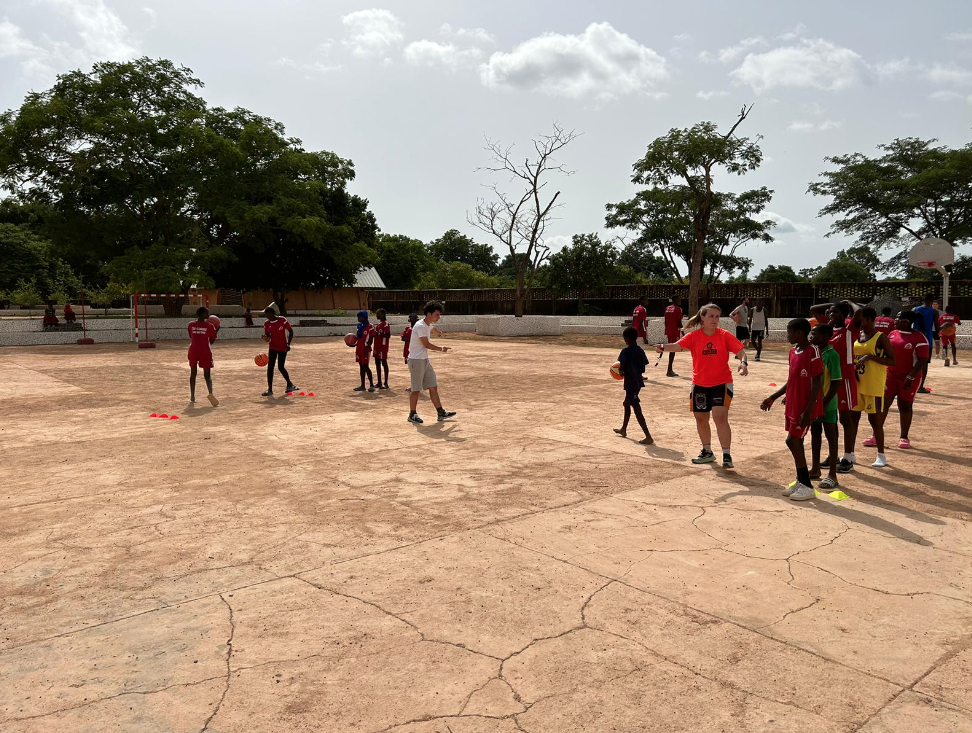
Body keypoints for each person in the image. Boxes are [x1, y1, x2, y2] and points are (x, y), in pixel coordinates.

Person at [655, 303, 749, 468]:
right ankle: (707, 452)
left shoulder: (724, 335)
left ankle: (726, 455)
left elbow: (740, 351)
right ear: (702, 318)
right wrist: (663, 347)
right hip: (699, 384)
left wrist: (743, 363)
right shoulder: (694, 336)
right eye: (711, 316)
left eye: (717, 316)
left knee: (720, 418)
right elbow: (678, 345)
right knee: (701, 418)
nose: (714, 319)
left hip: (722, 383)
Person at [760, 318, 824, 501]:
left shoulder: (813, 351)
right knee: (797, 443)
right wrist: (774, 397)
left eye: (789, 332)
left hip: (805, 407)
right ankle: (800, 481)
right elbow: (792, 380)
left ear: (799, 333)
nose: (787, 335)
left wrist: (809, 409)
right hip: (793, 405)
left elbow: (817, 381)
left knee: (792, 441)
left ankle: (808, 486)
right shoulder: (793, 352)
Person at [870, 310, 929, 450]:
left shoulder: (919, 338)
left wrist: (911, 376)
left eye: (897, 318)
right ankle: (875, 435)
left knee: (905, 405)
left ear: (906, 321)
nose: (894, 321)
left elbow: (923, 359)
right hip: (890, 375)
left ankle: (904, 437)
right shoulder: (892, 334)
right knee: (883, 404)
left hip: (909, 377)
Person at [853, 307, 896, 467]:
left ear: (870, 319)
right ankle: (849, 454)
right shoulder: (858, 335)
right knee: (853, 419)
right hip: (857, 384)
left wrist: (871, 357)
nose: (858, 321)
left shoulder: (880, 337)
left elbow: (892, 361)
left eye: (862, 319)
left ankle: (881, 455)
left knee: (875, 421)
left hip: (873, 385)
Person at [407, 301, 457, 424]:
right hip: (416, 361)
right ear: (429, 314)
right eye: (436, 314)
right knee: (416, 389)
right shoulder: (420, 326)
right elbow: (427, 344)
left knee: (433, 386)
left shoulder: (427, 324)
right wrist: (441, 349)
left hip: (424, 360)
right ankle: (412, 414)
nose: (438, 317)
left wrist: (438, 333)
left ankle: (440, 412)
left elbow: (432, 329)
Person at [829, 301, 863, 473]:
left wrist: (849, 303)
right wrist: (835, 306)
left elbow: (859, 313)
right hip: (829, 379)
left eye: (835, 313)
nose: (831, 315)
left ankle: (848, 456)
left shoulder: (849, 329)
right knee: (831, 419)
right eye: (830, 313)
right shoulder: (828, 330)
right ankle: (833, 454)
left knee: (845, 418)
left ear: (844, 314)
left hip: (845, 378)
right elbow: (815, 309)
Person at [808, 324, 842, 489]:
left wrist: (825, 402)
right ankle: (815, 468)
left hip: (827, 404)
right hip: (814, 403)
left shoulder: (832, 355)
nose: (811, 336)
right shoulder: (812, 352)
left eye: (814, 334)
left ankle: (833, 474)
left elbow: (836, 382)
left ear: (825, 337)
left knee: (831, 435)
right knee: (815, 433)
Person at [613, 326, 653, 445]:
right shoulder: (640, 350)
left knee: (636, 407)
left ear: (627, 338)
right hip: (638, 382)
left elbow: (621, 368)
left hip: (630, 382)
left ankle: (648, 436)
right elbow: (643, 367)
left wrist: (620, 372)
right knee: (626, 403)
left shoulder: (625, 351)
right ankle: (623, 429)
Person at [262, 306, 297, 397]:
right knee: (270, 368)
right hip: (272, 347)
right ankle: (270, 390)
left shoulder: (282, 320)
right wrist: (266, 338)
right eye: (266, 315)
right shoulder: (266, 323)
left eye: (268, 315)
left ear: (273, 314)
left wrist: (288, 344)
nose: (267, 316)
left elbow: (291, 331)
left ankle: (289, 384)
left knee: (281, 367)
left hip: (283, 347)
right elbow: (267, 335)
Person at [188, 306, 219, 406]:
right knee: (207, 375)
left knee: (193, 373)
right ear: (201, 314)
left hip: (193, 350)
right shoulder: (210, 326)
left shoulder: (191, 324)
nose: (209, 315)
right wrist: (216, 330)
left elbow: (191, 337)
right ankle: (210, 393)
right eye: (207, 313)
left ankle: (192, 396)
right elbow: (212, 341)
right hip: (205, 351)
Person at [913, 294, 937, 393]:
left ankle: (910, 383)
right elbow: (937, 327)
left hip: (914, 339)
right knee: (924, 364)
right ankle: (920, 387)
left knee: (911, 362)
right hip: (926, 341)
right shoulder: (934, 312)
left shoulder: (914, 309)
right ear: (932, 301)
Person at [354, 309, 376, 392]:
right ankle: (362, 385)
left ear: (364, 317)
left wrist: (367, 348)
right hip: (359, 348)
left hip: (365, 349)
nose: (358, 319)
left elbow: (371, 339)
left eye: (359, 317)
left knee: (365, 366)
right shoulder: (359, 327)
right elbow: (359, 339)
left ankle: (371, 384)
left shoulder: (370, 326)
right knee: (361, 366)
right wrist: (353, 344)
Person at [663, 296, 683, 377]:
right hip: (675, 331)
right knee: (673, 350)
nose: (680, 301)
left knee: (672, 349)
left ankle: (669, 369)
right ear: (676, 300)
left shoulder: (667, 308)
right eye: (679, 299)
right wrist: (683, 331)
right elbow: (679, 322)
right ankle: (669, 370)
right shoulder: (678, 309)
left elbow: (665, 320)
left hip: (668, 331)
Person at [372, 308, 391, 390]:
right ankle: (379, 382)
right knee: (377, 363)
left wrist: (378, 333)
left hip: (382, 347)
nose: (377, 315)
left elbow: (388, 335)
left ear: (382, 314)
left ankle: (386, 382)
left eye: (378, 314)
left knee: (384, 362)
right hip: (377, 346)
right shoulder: (379, 324)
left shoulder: (385, 324)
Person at [402, 312, 418, 393]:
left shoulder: (418, 329)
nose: (412, 320)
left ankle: (415, 385)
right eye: (411, 318)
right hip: (407, 350)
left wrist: (408, 340)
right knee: (411, 369)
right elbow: (403, 338)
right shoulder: (407, 329)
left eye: (414, 319)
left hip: (414, 352)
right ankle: (414, 385)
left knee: (414, 369)